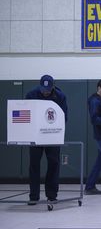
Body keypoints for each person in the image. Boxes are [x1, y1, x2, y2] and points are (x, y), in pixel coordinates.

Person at [25, 75, 68, 205]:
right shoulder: (31, 94)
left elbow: (64, 117)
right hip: (35, 136)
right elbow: (27, 113)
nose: (45, 92)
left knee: (53, 164)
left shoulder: (60, 96)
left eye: (48, 89)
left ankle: (52, 195)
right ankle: (33, 196)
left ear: (53, 86)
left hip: (52, 135)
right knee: (34, 165)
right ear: (39, 86)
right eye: (43, 89)